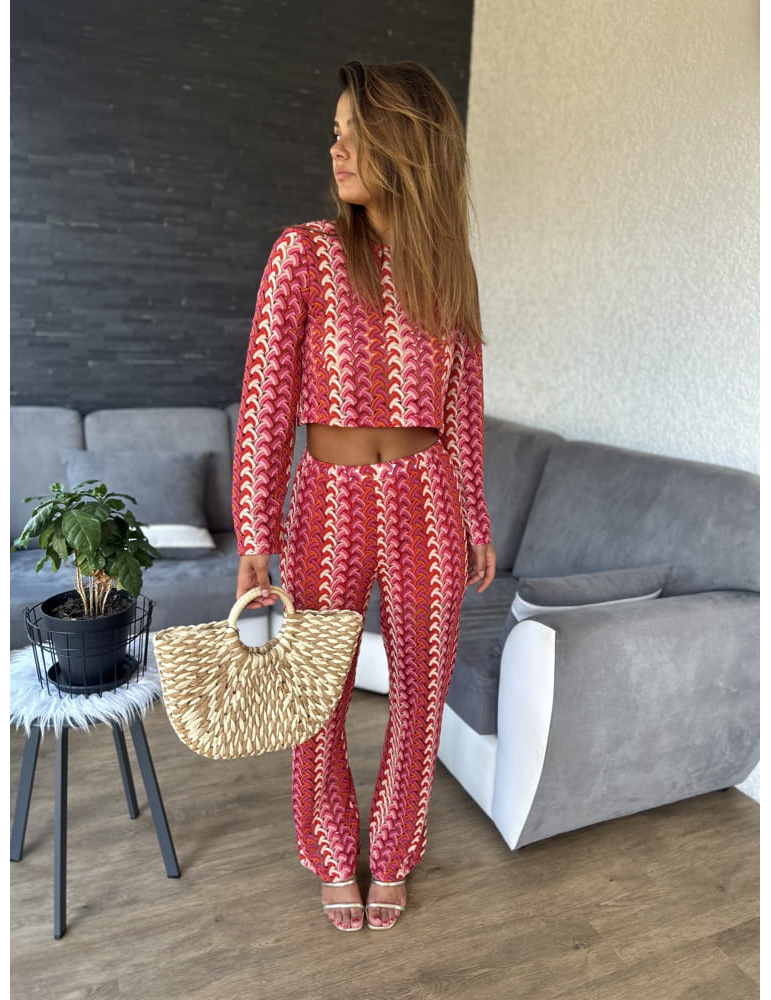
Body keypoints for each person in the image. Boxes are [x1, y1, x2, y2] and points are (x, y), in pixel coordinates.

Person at [232, 60, 496, 932]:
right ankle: (327, 849)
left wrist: (475, 518)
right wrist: (255, 536)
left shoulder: (448, 271)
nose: (335, 148)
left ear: (407, 144)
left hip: (427, 500)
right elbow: (265, 403)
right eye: (335, 132)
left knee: (420, 695)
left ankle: (394, 852)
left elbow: (462, 409)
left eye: (356, 132)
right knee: (319, 693)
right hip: (327, 501)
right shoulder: (302, 254)